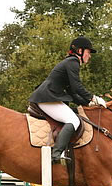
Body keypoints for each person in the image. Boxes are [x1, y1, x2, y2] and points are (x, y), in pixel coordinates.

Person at [29, 36, 106, 164]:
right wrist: (93, 98)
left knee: (75, 115)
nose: (89, 56)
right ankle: (56, 155)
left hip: (49, 97)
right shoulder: (72, 62)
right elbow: (77, 86)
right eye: (88, 52)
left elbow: (72, 91)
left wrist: (87, 103)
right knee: (73, 120)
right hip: (47, 98)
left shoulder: (70, 63)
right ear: (80, 51)